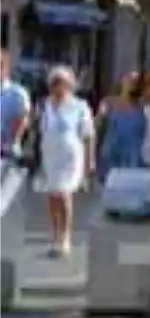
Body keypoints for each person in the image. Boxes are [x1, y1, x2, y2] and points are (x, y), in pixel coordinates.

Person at [33, 67, 95, 257]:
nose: (57, 88)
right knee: (53, 195)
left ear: (69, 85)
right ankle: (55, 234)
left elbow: (88, 136)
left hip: (70, 157)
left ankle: (66, 236)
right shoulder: (44, 105)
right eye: (54, 84)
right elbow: (40, 131)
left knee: (64, 193)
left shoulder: (79, 106)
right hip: (51, 155)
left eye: (61, 84)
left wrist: (90, 161)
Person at [96, 72, 149, 179]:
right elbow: (97, 125)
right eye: (130, 80)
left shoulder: (143, 105)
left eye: (136, 82)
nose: (132, 84)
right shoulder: (109, 102)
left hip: (133, 153)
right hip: (112, 151)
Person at [1, 50, 30, 165]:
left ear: (7, 69)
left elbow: (22, 121)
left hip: (6, 156)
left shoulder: (17, 93)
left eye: (1, 66)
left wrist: (11, 144)